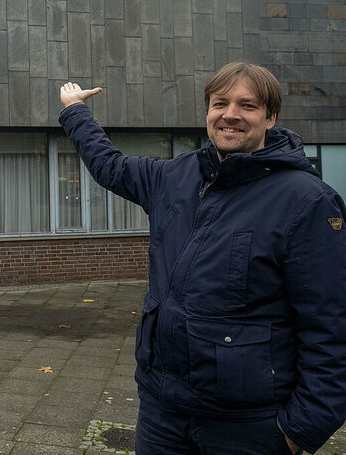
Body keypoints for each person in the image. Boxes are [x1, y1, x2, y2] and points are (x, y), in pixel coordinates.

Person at [58, 62, 346, 455]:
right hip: (161, 411)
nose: (230, 114)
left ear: (270, 117)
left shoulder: (307, 200)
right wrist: (75, 111)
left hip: (248, 427)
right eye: (219, 103)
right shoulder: (174, 177)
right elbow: (109, 165)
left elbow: (332, 327)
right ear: (208, 113)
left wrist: (300, 431)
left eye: (247, 105)